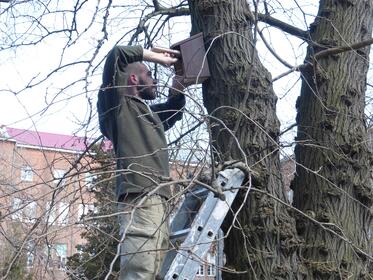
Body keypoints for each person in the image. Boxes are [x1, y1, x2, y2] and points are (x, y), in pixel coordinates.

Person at [97, 45, 187, 280]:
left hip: (158, 198)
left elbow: (173, 109)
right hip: (140, 197)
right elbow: (116, 54)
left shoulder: (146, 113)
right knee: (140, 271)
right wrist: (157, 57)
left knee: (155, 271)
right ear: (134, 78)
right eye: (150, 74)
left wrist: (179, 81)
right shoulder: (117, 107)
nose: (155, 79)